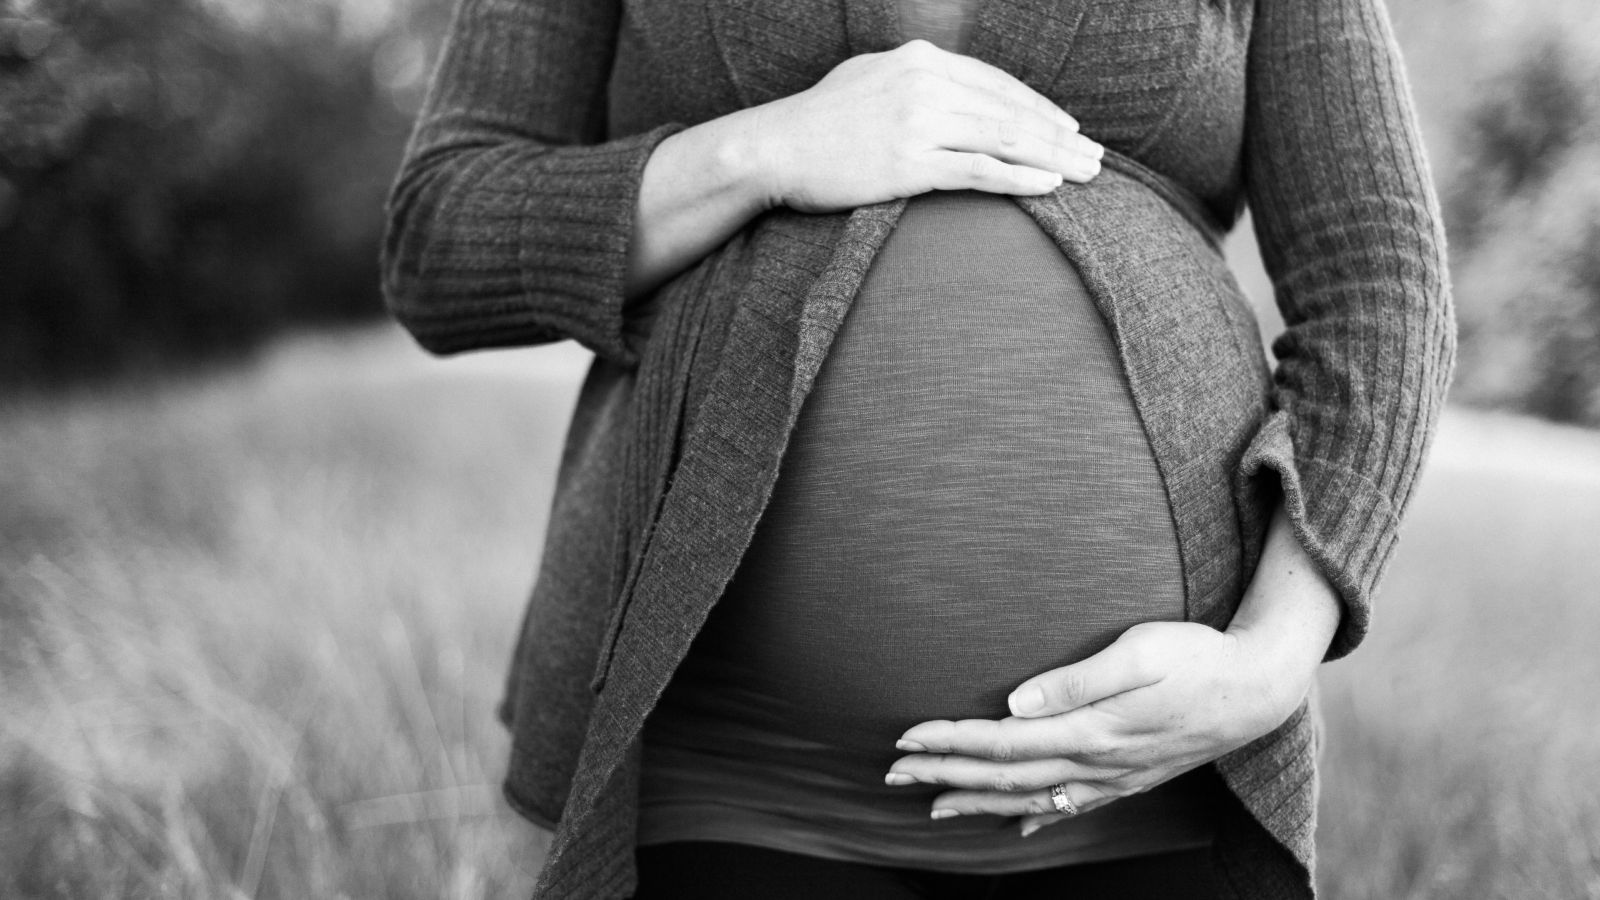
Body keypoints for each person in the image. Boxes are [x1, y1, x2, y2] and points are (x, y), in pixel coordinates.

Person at [381, 0, 1455, 897]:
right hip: (733, 780)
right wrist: (762, 148)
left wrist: (1264, 664)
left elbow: (1378, 278)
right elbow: (440, 239)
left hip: (1154, 787)